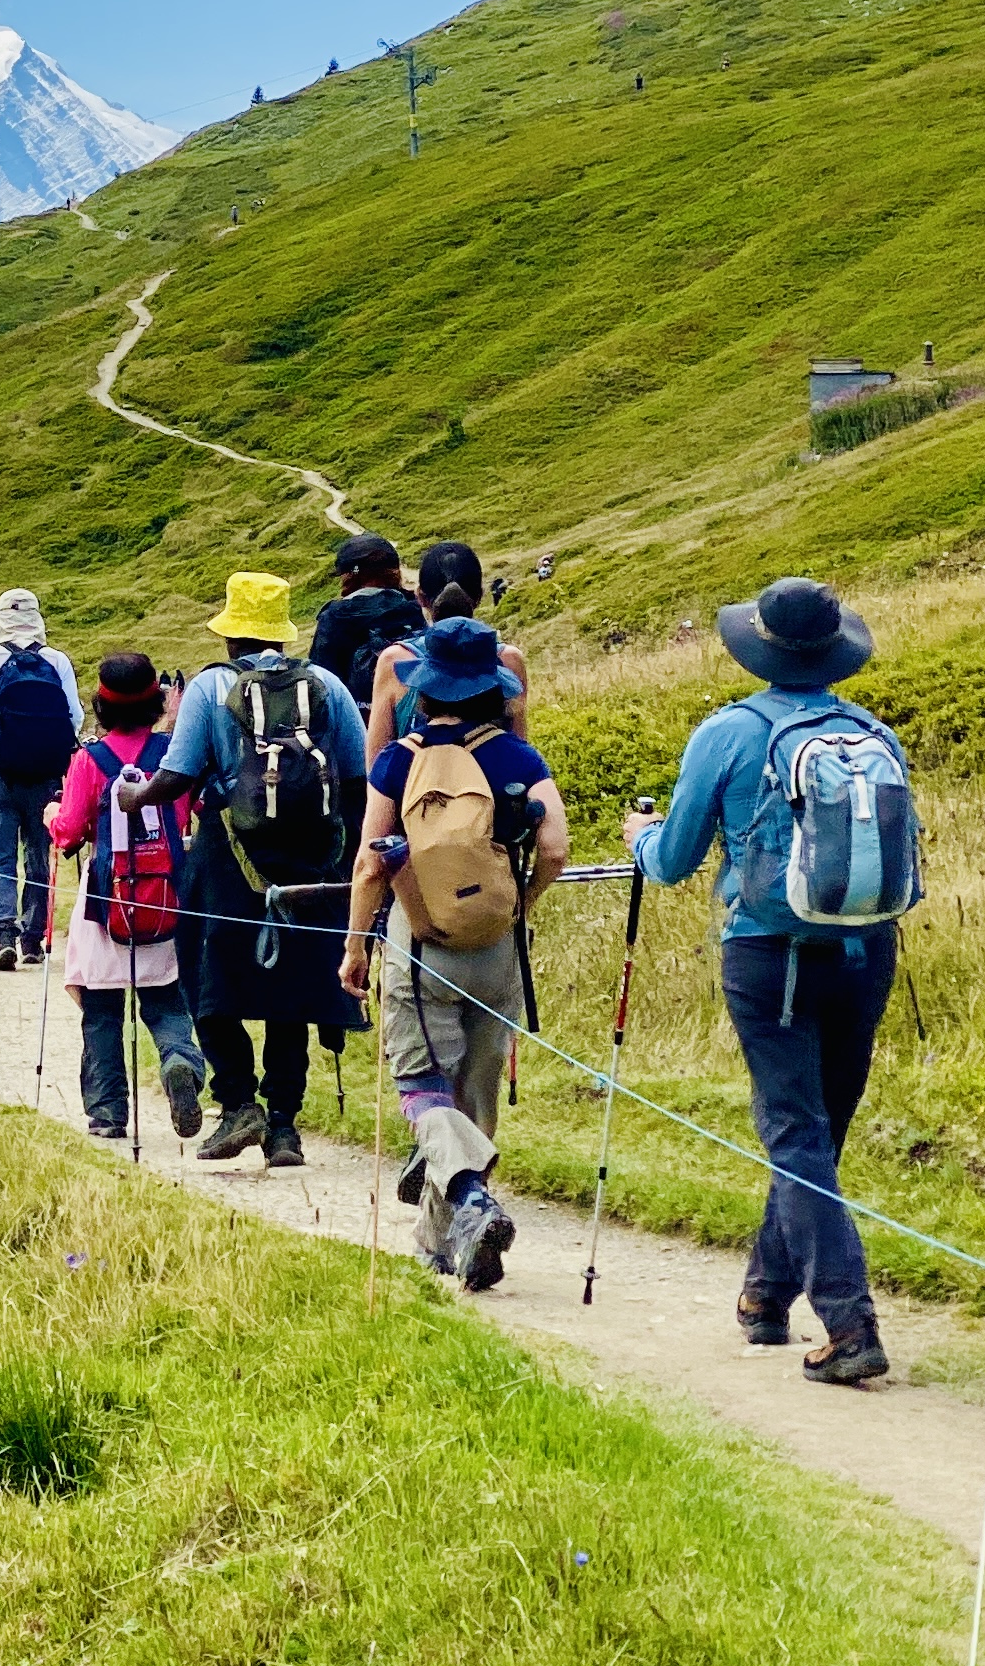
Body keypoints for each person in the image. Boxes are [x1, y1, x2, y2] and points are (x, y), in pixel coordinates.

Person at [627, 577, 906, 1388]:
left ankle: (850, 1324)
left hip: (767, 955)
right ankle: (766, 1295)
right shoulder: (870, 730)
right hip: (867, 949)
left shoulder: (729, 732)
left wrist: (641, 838)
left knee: (794, 1131)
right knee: (819, 1131)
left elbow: (674, 862)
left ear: (759, 650)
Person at [340, 618, 567, 1289]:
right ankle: (446, 1242)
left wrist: (357, 945)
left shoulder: (398, 759)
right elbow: (555, 847)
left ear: (427, 688)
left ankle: (469, 1199)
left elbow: (369, 863)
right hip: (495, 944)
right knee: (475, 1089)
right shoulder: (516, 760)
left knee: (422, 1088)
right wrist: (522, 903)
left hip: (421, 940)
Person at [131, 571, 366, 1165]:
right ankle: (285, 1125)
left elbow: (179, 775)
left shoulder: (211, 688)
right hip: (311, 855)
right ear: (283, 635)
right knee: (292, 991)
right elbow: (358, 777)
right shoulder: (328, 686)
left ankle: (237, 1103)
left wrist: (133, 797)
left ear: (231, 635)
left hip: (229, 852)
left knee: (209, 973)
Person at [49, 653, 204, 1145]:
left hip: (105, 902)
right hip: (164, 898)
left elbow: (69, 832)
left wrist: (53, 814)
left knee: (100, 1008)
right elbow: (196, 806)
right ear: (156, 703)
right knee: (165, 1001)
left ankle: (108, 1112)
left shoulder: (87, 761)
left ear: (101, 704)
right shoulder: (174, 755)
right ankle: (180, 1061)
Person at [0, 587, 84, 971]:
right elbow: (73, 720)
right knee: (39, 854)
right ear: (37, 619)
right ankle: (33, 939)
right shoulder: (56, 661)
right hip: (47, 776)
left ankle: (2, 935)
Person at [360, 541, 533, 754]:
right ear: (478, 597)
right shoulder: (509, 660)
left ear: (420, 596)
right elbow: (520, 753)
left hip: (418, 786)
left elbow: (376, 763)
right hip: (489, 787)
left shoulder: (396, 661)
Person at [306, 533, 426, 708]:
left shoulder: (334, 617)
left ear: (350, 575)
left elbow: (321, 682)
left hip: (359, 722)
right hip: (412, 717)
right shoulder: (415, 608)